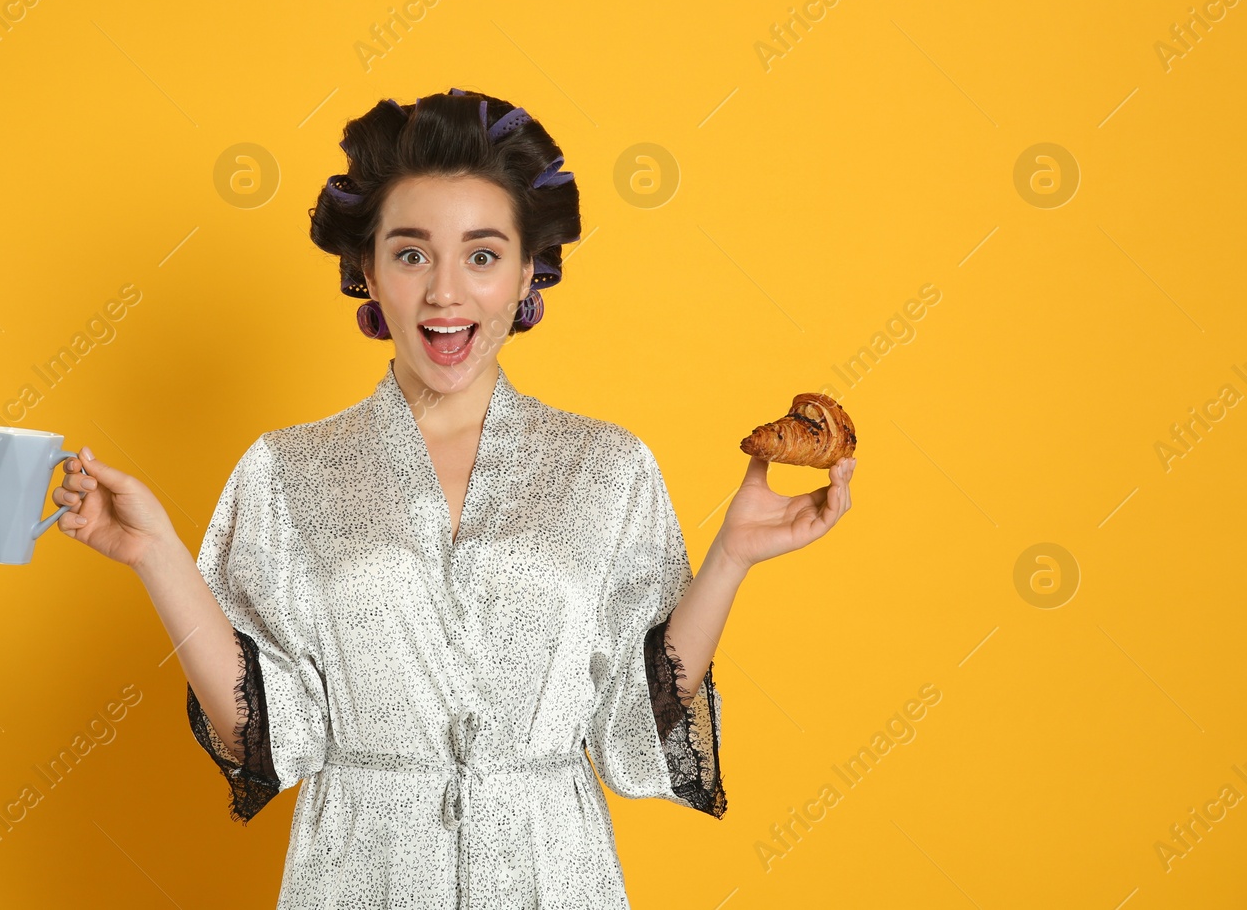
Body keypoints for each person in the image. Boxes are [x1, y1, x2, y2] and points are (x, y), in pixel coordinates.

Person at [50, 89, 856, 908]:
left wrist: (732, 556)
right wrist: (156, 555)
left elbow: (629, 729)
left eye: (481, 254)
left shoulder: (607, 467)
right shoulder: (287, 471)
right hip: (360, 869)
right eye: (410, 254)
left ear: (525, 271)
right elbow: (266, 736)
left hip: (552, 869)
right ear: (366, 269)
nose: (445, 291)